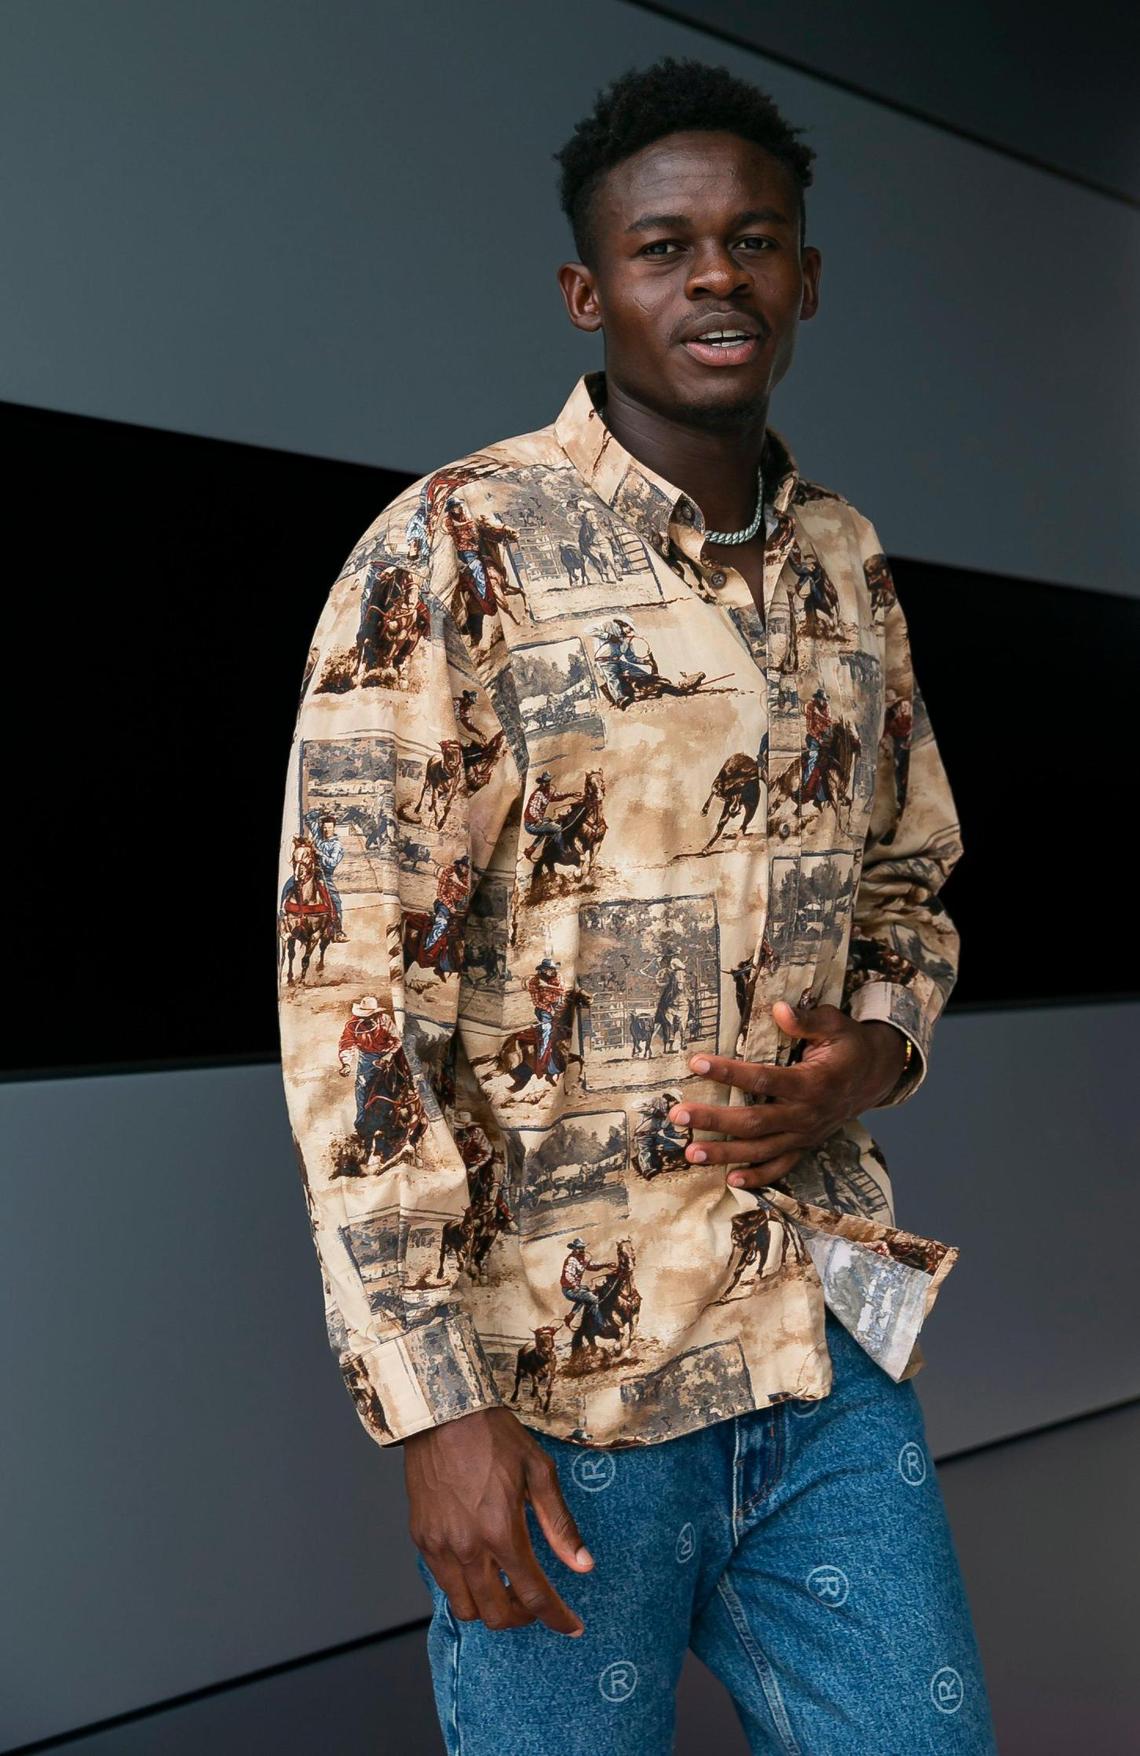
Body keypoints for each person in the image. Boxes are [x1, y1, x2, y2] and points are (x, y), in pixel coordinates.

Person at [277, 54, 998, 1754]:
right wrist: (433, 1411)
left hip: (813, 1352)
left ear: (806, 275)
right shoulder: (456, 548)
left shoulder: (845, 562)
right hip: (557, 1393)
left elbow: (915, 886)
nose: (717, 277)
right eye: (666, 248)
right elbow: (352, 989)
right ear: (588, 291)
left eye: (755, 241)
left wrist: (872, 1060)